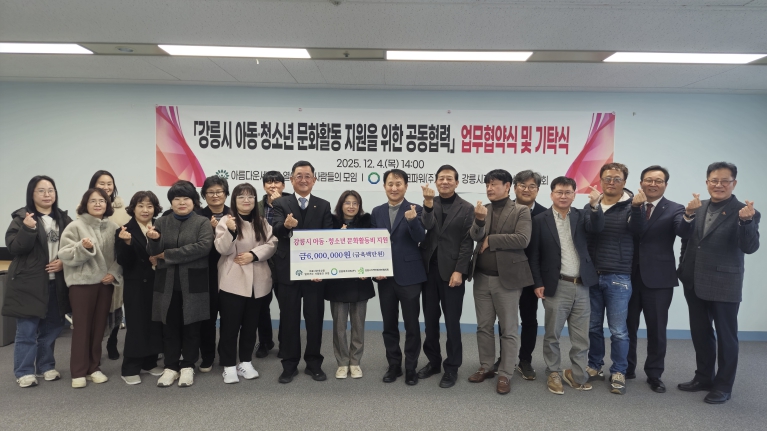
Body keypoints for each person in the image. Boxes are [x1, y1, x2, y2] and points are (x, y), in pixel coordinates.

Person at [677, 162, 760, 404]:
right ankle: (704, 377)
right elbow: (686, 240)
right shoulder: (698, 207)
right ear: (707, 182)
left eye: (725, 181)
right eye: (714, 180)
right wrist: (683, 267)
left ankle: (723, 386)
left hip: (725, 282)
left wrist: (746, 223)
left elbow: (749, 247)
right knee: (701, 334)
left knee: (726, 337)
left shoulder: (745, 212)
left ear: (734, 183)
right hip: (694, 280)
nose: (719, 185)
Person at [528, 176, 603, 395]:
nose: (563, 196)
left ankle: (577, 374)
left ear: (574, 195)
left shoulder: (582, 215)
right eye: (559, 192)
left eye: (568, 192)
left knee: (581, 337)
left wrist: (595, 206)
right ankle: (553, 372)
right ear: (551, 194)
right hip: (556, 285)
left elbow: (598, 228)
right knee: (552, 334)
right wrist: (537, 283)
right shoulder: (540, 220)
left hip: (582, 285)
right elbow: (534, 255)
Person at [466, 169, 533, 395]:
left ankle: (505, 373)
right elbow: (474, 236)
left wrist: (491, 240)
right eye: (487, 184)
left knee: (509, 329)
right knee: (483, 326)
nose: (489, 188)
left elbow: (522, 239)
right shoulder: (482, 209)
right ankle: (486, 366)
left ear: (507, 186)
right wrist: (479, 220)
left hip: (508, 280)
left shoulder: (521, 210)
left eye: (494, 184)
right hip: (481, 277)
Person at [4, 176, 72, 388]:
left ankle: (45, 366)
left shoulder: (63, 219)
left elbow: (73, 247)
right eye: (41, 190)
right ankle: (24, 371)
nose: (47, 194)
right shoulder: (21, 218)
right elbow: (15, 248)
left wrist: (63, 262)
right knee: (27, 329)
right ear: (31, 194)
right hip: (29, 283)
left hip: (56, 282)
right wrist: (27, 229)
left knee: (52, 327)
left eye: (50, 190)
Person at [271, 161, 333, 383]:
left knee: (314, 319)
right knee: (289, 320)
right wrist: (286, 226)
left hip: (315, 273)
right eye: (299, 176)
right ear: (291, 180)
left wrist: (322, 268)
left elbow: (328, 237)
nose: (303, 180)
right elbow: (276, 230)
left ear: (314, 180)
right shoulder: (280, 203)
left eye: (308, 176)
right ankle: (289, 365)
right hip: (288, 271)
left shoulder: (323, 205)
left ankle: (314, 363)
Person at [147, 180, 214, 388]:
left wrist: (167, 254)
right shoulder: (162, 221)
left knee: (192, 327)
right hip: (167, 283)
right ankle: (171, 366)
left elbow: (203, 247)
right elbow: (152, 252)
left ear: (194, 201)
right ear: (171, 202)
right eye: (177, 199)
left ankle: (188, 366)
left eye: (186, 198)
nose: (182, 202)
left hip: (193, 283)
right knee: (170, 327)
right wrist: (154, 240)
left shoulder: (202, 222)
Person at [626, 166, 685, 393]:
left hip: (659, 279)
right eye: (648, 180)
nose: (653, 184)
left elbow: (683, 231)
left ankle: (654, 374)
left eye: (658, 181)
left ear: (665, 185)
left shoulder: (676, 209)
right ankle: (627, 367)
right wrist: (635, 207)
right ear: (641, 183)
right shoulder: (631, 205)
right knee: (627, 327)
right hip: (629, 276)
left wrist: (689, 216)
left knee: (657, 329)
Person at [585, 163, 642, 395]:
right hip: (592, 276)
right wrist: (594, 207)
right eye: (607, 178)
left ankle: (619, 370)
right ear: (600, 180)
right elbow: (591, 231)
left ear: (624, 182)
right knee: (593, 327)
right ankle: (595, 365)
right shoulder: (592, 205)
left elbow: (638, 230)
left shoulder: (632, 206)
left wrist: (637, 208)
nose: (611, 182)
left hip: (618, 276)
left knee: (618, 330)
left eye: (617, 179)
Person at [59, 188, 123, 388]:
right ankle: (78, 372)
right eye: (93, 201)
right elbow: (65, 254)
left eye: (102, 201)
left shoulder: (113, 227)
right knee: (82, 328)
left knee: (99, 327)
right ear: (85, 204)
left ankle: (94, 368)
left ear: (107, 204)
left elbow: (120, 256)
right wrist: (83, 248)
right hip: (82, 283)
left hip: (105, 284)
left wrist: (113, 273)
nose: (98, 204)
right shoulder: (75, 226)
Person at [214, 183, 277, 384]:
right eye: (241, 196)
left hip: (258, 282)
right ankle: (229, 365)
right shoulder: (227, 220)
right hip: (233, 281)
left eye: (250, 196)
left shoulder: (262, 221)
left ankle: (246, 361)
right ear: (234, 200)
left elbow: (272, 244)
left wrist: (253, 255)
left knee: (251, 326)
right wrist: (231, 232)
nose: (246, 200)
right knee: (230, 326)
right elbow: (222, 249)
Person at [417, 165, 474, 388]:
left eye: (449, 178)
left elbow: (467, 242)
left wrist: (459, 270)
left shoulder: (467, 208)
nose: (445, 182)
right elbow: (426, 225)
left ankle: (452, 368)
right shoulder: (429, 202)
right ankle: (433, 362)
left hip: (452, 273)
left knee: (452, 323)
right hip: (429, 271)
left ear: (456, 183)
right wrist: (427, 204)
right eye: (441, 178)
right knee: (430, 322)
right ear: (436, 181)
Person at [370, 169, 427, 386]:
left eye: (398, 184)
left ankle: (411, 367)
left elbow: (420, 237)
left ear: (406, 186)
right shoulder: (377, 211)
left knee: (412, 325)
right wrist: (374, 269)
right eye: (390, 184)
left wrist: (412, 221)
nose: (394, 188)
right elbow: (371, 243)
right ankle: (394, 365)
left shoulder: (416, 208)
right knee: (389, 324)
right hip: (385, 277)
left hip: (410, 275)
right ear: (384, 186)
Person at [492, 170, 548, 378]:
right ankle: (504, 358)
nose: (527, 189)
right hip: (506, 274)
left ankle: (525, 360)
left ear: (538, 190)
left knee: (529, 319)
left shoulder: (544, 214)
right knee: (505, 320)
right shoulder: (503, 209)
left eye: (532, 186)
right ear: (514, 188)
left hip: (531, 277)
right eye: (522, 185)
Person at [114, 191, 165, 384]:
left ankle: (149, 362)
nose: (145, 210)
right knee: (137, 326)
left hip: (157, 282)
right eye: (141, 206)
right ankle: (130, 368)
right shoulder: (124, 230)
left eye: (150, 206)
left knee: (154, 324)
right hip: (136, 284)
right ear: (133, 208)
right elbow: (123, 261)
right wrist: (127, 243)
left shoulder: (160, 226)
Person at [326, 190, 375, 379]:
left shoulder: (367, 221)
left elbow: (374, 249)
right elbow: (323, 249)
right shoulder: (331, 222)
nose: (351, 206)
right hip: (337, 283)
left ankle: (355, 362)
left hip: (360, 282)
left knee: (358, 326)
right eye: (347, 202)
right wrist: (337, 238)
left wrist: (369, 269)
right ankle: (342, 362)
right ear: (341, 204)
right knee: (339, 327)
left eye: (355, 203)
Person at [84, 170, 130, 361]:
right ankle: (92, 348)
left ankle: (112, 341)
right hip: (91, 266)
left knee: (116, 305)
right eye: (101, 183)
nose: (106, 187)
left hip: (115, 265)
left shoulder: (123, 210)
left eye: (109, 183)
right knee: (93, 310)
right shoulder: (83, 208)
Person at [255, 171, 290, 358]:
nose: (273, 185)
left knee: (286, 306)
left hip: (285, 261)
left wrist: (281, 204)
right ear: (264, 186)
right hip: (262, 261)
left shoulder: (291, 203)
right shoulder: (256, 206)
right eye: (269, 182)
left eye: (277, 182)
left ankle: (285, 343)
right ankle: (265, 342)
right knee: (261, 305)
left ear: (283, 185)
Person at [198, 175, 230, 373]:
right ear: (204, 195)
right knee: (207, 318)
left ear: (226, 194)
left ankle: (226, 355)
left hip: (230, 273)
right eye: (210, 192)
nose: (215, 195)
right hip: (206, 274)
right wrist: (209, 230)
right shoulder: (198, 216)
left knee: (229, 318)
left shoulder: (234, 214)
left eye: (219, 191)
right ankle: (207, 356)